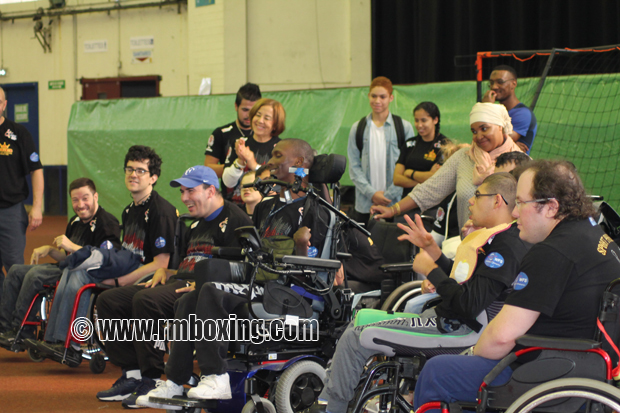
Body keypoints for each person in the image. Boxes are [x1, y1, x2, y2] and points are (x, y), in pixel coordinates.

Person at [308, 172, 530, 413]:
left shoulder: (506, 245)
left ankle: (330, 408)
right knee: (357, 322)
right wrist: (433, 252)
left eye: (477, 195)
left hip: (461, 331)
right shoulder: (492, 238)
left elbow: (468, 305)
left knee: (356, 339)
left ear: (497, 201)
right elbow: (462, 283)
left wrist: (431, 271)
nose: (470, 200)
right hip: (446, 320)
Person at [413, 160, 620, 411]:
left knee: (438, 371)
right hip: (587, 366)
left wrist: (470, 353)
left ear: (551, 207)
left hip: (548, 371)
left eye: (521, 203)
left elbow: (499, 339)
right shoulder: (596, 235)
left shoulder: (552, 253)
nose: (514, 213)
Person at [136, 138, 331, 405]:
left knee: (211, 291)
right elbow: (254, 255)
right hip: (259, 283)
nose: (269, 162)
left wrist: (299, 245)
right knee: (189, 299)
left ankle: (216, 376)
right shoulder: (266, 207)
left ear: (298, 163)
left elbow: (312, 268)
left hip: (289, 292)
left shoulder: (318, 209)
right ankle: (175, 380)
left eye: (277, 156)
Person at [95, 165, 253, 409]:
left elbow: (242, 269)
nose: (184, 198)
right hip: (180, 282)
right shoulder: (195, 224)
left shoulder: (236, 221)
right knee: (109, 300)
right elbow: (185, 265)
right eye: (182, 192)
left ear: (211, 190)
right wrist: (165, 271)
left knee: (146, 300)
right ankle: (133, 374)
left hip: (205, 290)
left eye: (190, 191)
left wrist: (203, 284)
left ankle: (152, 378)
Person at [27, 145, 178, 364]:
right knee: (73, 267)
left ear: (153, 178)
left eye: (140, 171)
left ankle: (72, 345)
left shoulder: (160, 211)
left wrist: (121, 280)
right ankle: (55, 340)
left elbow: (161, 263)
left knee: (80, 277)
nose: (133, 174)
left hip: (143, 275)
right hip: (125, 265)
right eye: (129, 169)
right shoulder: (129, 210)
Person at [0, 178, 121, 345]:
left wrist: (72, 246)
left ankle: (21, 331)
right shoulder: (74, 222)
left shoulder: (107, 223)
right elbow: (67, 257)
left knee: (36, 275)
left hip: (81, 275)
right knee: (15, 271)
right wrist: (50, 250)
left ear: (96, 197)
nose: (80, 204)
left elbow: (105, 259)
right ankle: (5, 328)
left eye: (85, 198)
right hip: (64, 267)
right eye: (75, 200)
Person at [371, 102, 523, 231]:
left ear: (500, 127)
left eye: (484, 128)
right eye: (474, 131)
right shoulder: (464, 157)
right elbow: (429, 190)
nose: (478, 136)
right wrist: (393, 210)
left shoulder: (520, 162)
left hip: (504, 248)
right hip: (469, 243)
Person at [347, 76, 415, 224]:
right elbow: (353, 166)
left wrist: (389, 195)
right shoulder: (357, 128)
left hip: (395, 203)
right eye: (374, 96)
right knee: (364, 245)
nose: (377, 101)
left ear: (391, 97)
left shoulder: (404, 127)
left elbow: (409, 165)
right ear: (368, 96)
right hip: (365, 205)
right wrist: (372, 194)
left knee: (393, 245)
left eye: (382, 97)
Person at [0, 86, 44, 301]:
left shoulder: (18, 133)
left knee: (16, 269)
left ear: (4, 104)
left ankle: (23, 324)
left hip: (11, 211)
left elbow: (36, 170)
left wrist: (36, 206)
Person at [221, 98, 285, 205]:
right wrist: (240, 161)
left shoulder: (281, 149)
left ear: (275, 124)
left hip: (268, 207)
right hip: (237, 207)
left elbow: (280, 184)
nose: (260, 121)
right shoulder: (241, 143)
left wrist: (254, 165)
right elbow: (228, 183)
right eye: (258, 115)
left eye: (267, 118)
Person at [204, 83, 262, 177]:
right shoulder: (220, 134)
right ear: (236, 106)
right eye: (245, 110)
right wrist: (235, 167)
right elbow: (207, 170)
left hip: (257, 190)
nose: (249, 115)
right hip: (230, 190)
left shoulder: (265, 134)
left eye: (253, 110)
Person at [393, 102, 450, 197]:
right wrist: (424, 179)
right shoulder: (409, 144)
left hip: (432, 203)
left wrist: (410, 173)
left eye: (424, 120)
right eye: (416, 120)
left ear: (435, 120)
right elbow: (396, 179)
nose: (419, 125)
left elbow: (438, 178)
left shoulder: (445, 145)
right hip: (408, 202)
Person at [482, 65, 538, 153]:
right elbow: (482, 139)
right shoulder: (497, 112)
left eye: (500, 82)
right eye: (491, 83)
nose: (494, 87)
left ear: (513, 84)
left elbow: (493, 142)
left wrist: (487, 108)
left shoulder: (522, 113)